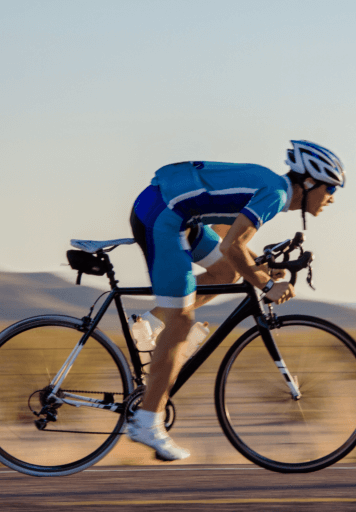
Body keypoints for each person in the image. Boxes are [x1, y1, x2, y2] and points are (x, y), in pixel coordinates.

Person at [126, 140, 345, 460]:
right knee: (182, 323)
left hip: (177, 211)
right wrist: (266, 283)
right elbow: (232, 244)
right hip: (164, 215)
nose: (332, 199)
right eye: (331, 190)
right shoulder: (277, 194)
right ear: (309, 183)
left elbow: (225, 235)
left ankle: (150, 323)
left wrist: (259, 267)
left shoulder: (271, 186)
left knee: (227, 273)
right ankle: (147, 422)